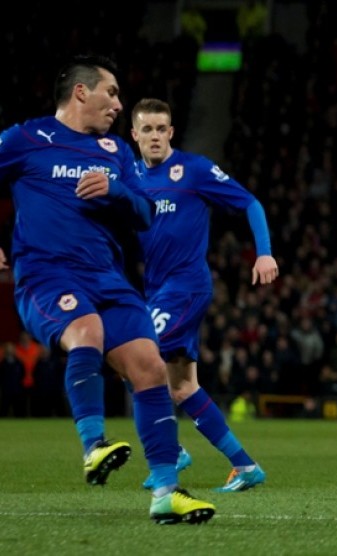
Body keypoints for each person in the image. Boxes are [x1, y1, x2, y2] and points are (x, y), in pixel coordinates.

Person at [0, 55, 215, 524]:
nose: (119, 104)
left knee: (150, 366)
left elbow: (144, 213)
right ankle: (93, 445)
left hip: (107, 276)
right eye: (112, 93)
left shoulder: (116, 152)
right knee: (87, 329)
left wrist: (116, 190)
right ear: (81, 92)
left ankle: (165, 492)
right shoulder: (24, 139)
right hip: (47, 271)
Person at [130, 98, 277, 492]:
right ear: (135, 135)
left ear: (171, 132)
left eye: (162, 128)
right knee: (181, 387)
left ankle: (171, 451)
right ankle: (245, 466)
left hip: (186, 286)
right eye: (148, 129)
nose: (156, 136)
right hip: (156, 289)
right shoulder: (129, 175)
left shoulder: (193, 170)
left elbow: (251, 202)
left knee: (137, 355)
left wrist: (264, 252)